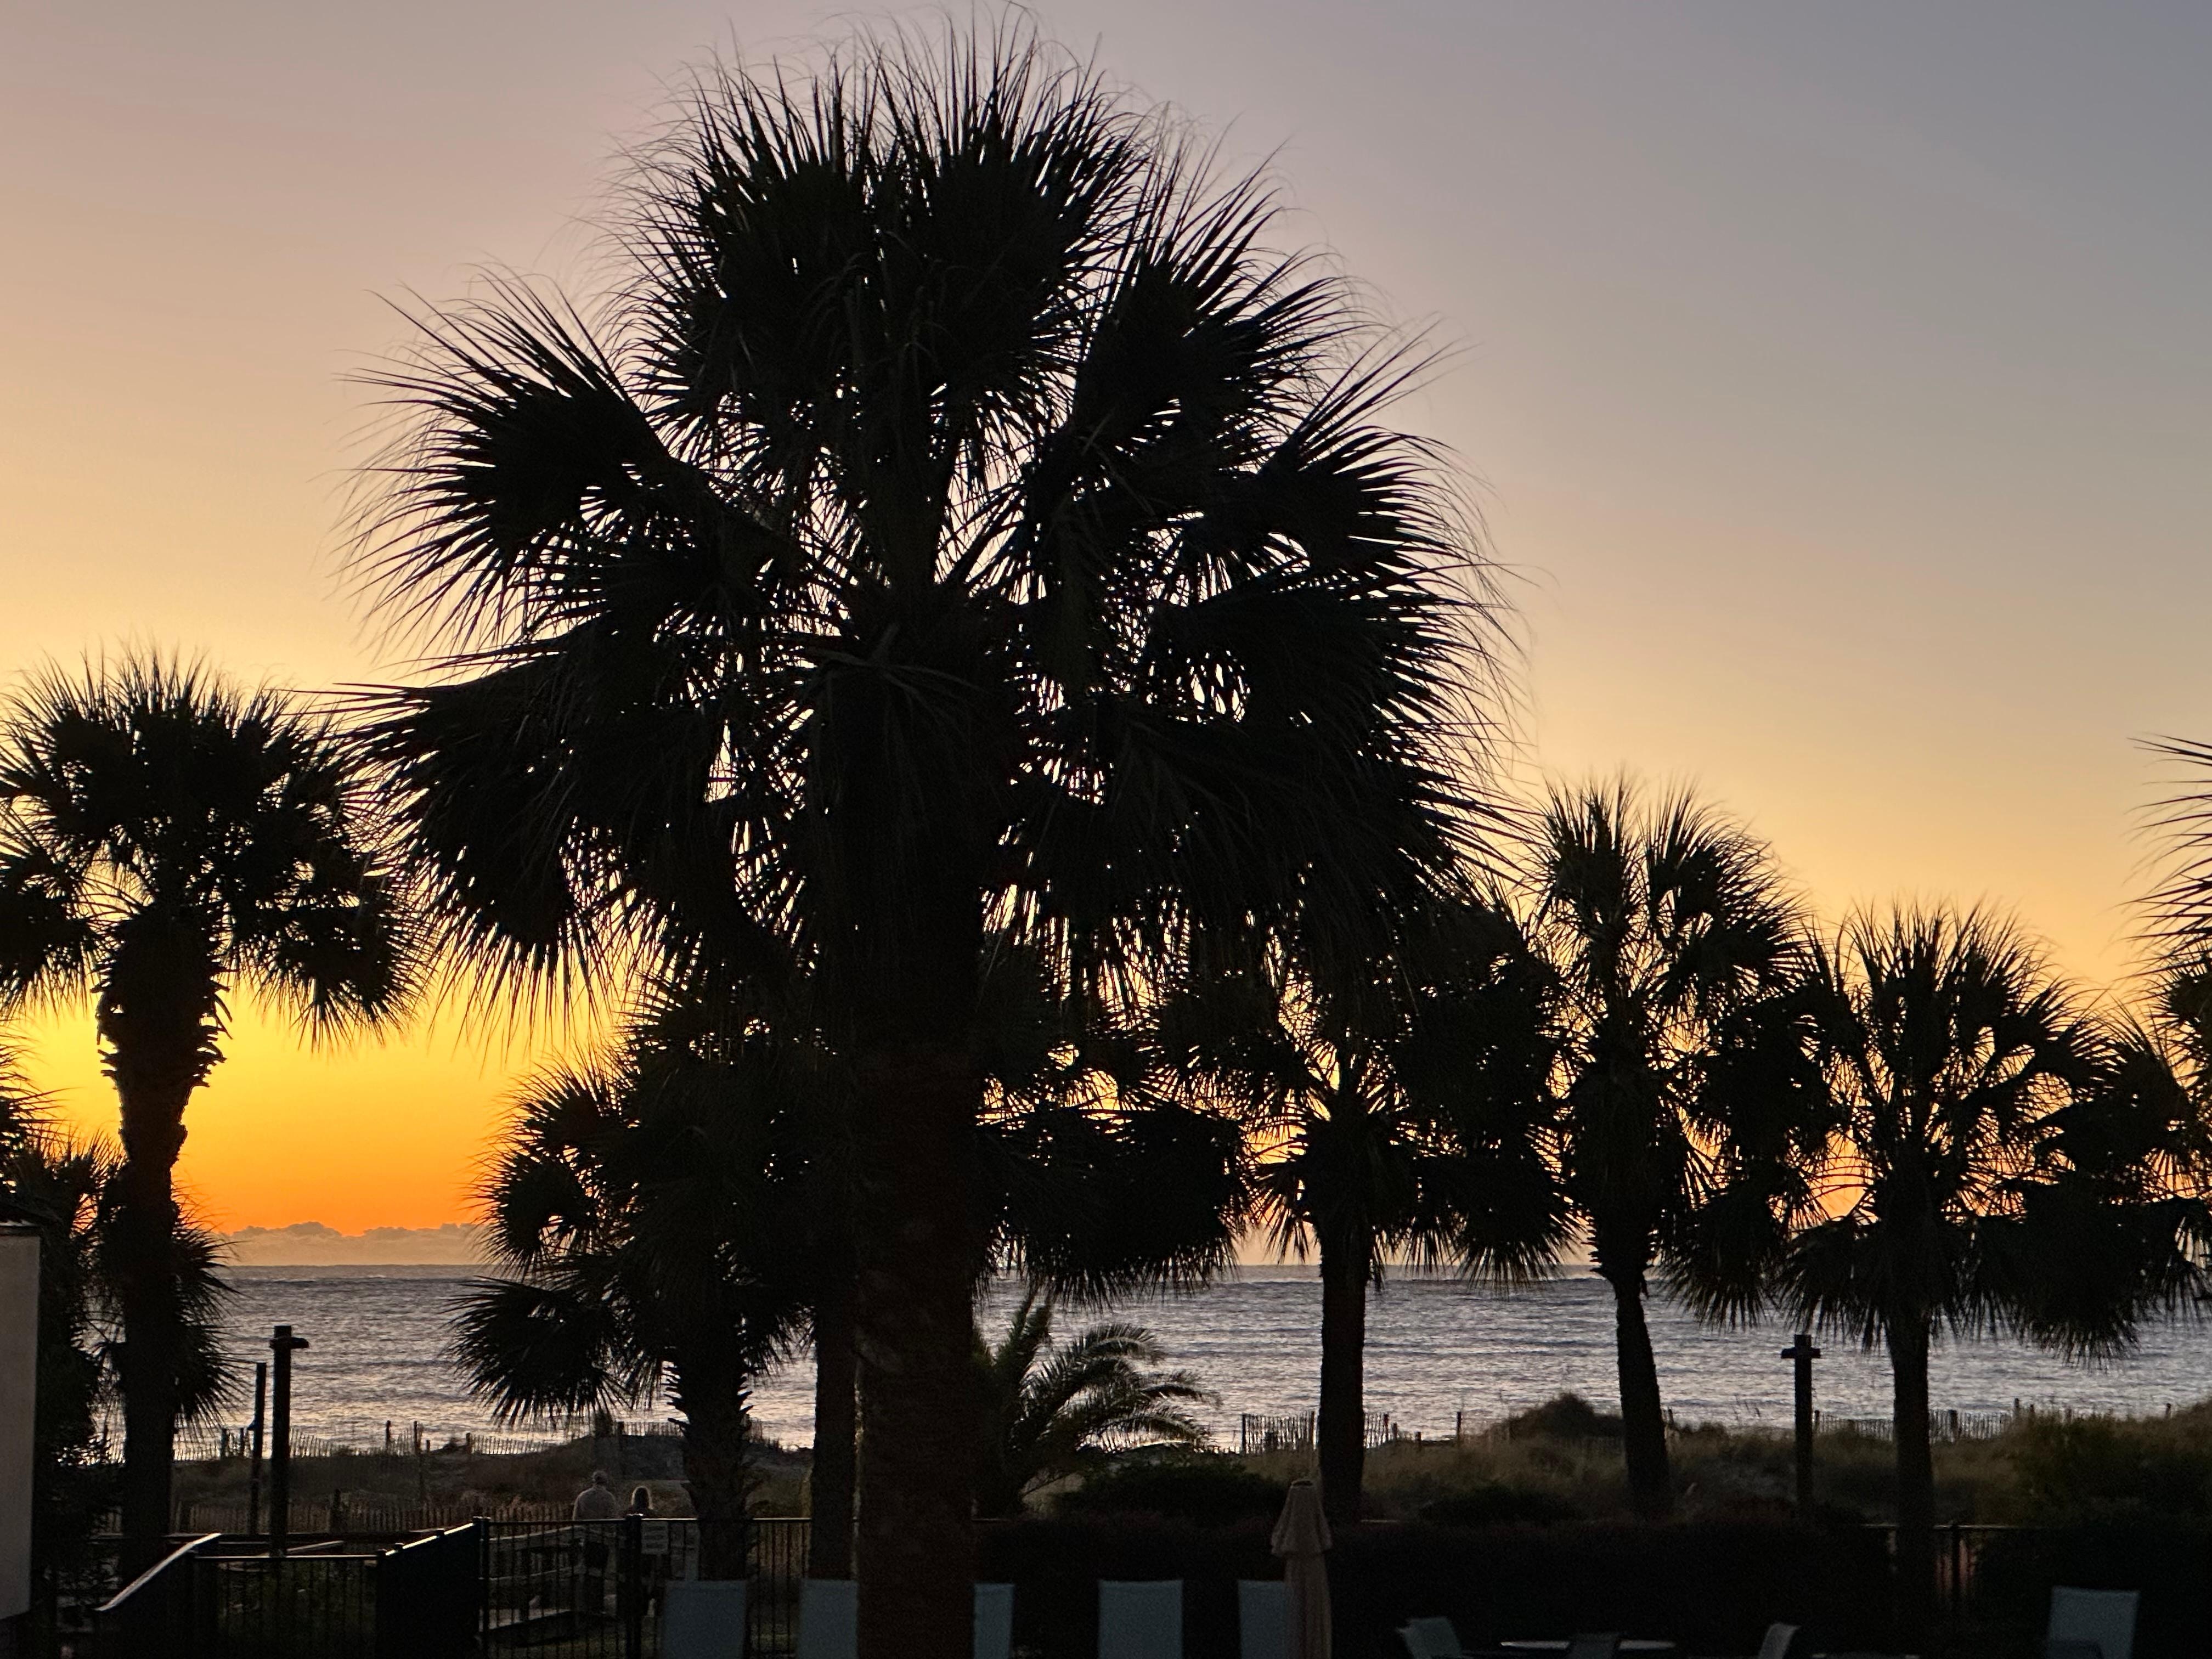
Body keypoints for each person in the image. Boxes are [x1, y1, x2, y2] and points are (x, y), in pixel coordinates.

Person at [574, 1470, 620, 1617]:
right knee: (600, 1573)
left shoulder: (582, 1497)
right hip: (602, 1540)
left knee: (587, 1572)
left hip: (588, 1540)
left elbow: (576, 1519)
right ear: (605, 1482)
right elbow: (612, 1520)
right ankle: (598, 1605)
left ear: (593, 1481)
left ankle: (586, 1604)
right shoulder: (609, 1498)